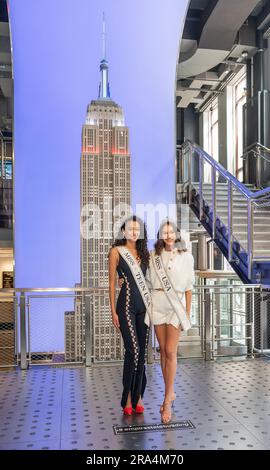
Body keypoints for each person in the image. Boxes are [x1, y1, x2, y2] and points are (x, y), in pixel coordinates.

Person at [146, 219, 195, 424]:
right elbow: (148, 281)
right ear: (160, 235)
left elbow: (189, 288)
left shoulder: (187, 257)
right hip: (158, 303)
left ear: (176, 234)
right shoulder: (153, 256)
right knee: (163, 351)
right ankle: (170, 392)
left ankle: (167, 398)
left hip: (176, 306)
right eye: (164, 232)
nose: (168, 235)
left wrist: (186, 314)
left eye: (171, 232)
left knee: (171, 351)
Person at [108, 215, 152, 415]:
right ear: (123, 231)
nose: (134, 232)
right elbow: (111, 283)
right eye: (130, 228)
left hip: (145, 308)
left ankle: (138, 396)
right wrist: (112, 311)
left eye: (137, 229)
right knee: (133, 350)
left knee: (142, 353)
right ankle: (127, 397)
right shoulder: (116, 252)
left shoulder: (145, 254)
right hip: (125, 306)